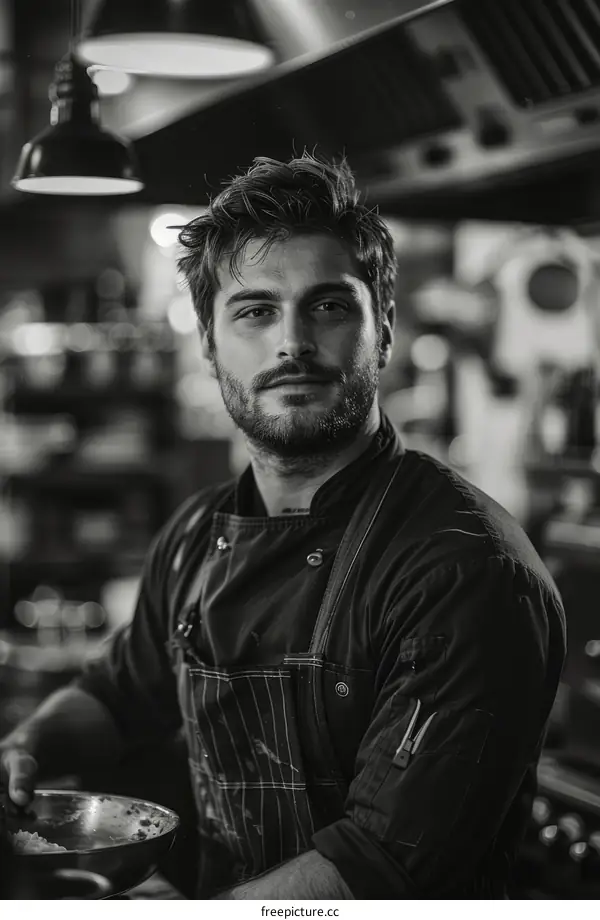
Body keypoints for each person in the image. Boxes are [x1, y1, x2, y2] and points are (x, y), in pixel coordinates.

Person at [0, 153, 566, 900]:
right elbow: (117, 693)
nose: (291, 343)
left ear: (383, 328)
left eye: (328, 306)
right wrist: (27, 745)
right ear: (208, 342)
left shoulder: (464, 571)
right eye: (255, 310)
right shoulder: (198, 537)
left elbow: (374, 870)